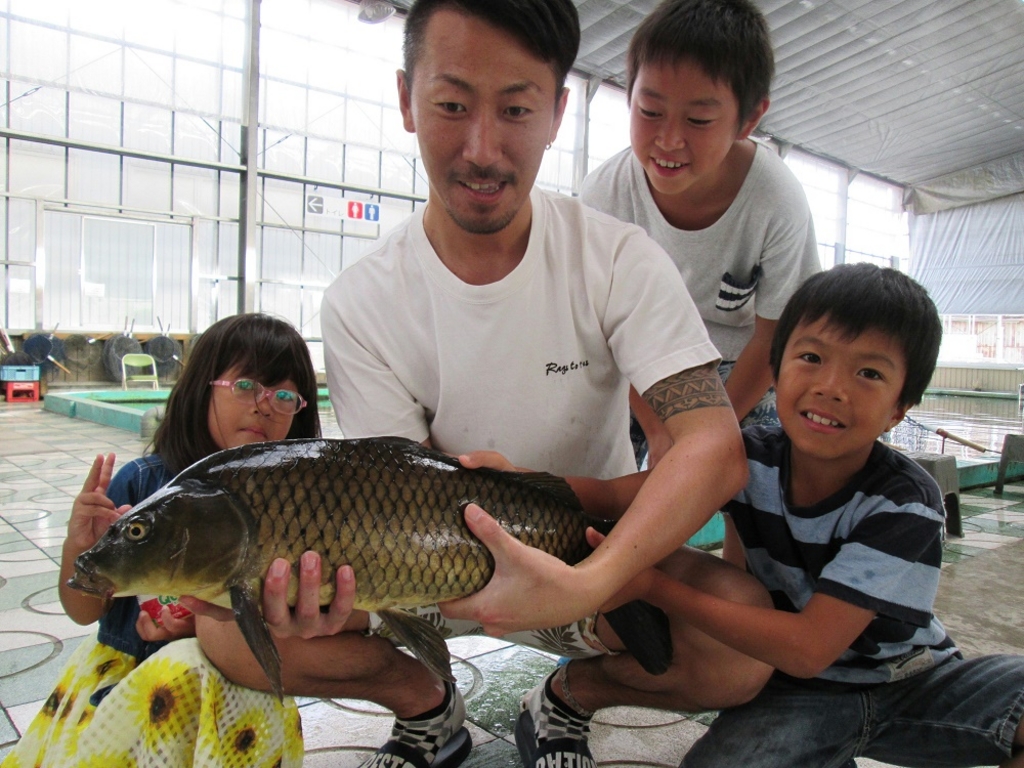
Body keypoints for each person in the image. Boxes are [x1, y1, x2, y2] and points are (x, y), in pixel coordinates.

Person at [194, 2, 772, 768]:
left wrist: (587, 581)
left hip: (585, 565)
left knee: (738, 640)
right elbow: (394, 486)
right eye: (452, 105)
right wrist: (322, 590)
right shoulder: (365, 300)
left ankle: (572, 697)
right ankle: (426, 706)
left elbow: (712, 447)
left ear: (558, 113)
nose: (482, 149)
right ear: (406, 99)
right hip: (424, 576)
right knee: (229, 626)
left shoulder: (617, 259)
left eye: (517, 110)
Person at [605, 263, 1024, 767]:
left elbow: (810, 646)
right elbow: (627, 494)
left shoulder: (906, 501)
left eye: (868, 373)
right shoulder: (745, 458)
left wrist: (651, 586)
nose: (832, 387)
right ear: (775, 373)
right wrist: (526, 479)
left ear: (900, 407)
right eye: (811, 357)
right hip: (795, 694)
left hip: (915, 681)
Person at [2, 313, 321, 768]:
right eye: (245, 386)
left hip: (235, 685)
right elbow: (82, 608)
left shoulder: (293, 503)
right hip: (129, 680)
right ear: (201, 388)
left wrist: (206, 624)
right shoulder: (141, 486)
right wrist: (80, 545)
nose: (263, 405)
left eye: (284, 395)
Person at [581, 0, 820, 468]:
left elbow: (774, 339)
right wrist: (659, 427)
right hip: (636, 360)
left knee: (751, 479)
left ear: (748, 120)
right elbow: (601, 327)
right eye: (650, 111)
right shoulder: (605, 193)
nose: (669, 140)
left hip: (734, 366)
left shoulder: (776, 200)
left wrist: (708, 429)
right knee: (602, 461)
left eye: (698, 121)